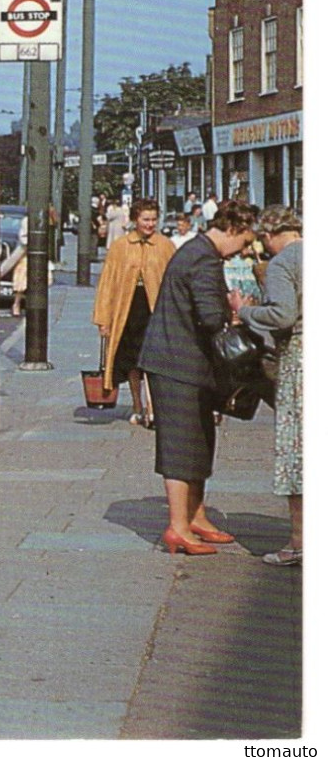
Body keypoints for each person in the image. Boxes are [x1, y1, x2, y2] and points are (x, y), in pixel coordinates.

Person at [136, 199, 260, 555]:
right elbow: (209, 318)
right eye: (245, 240)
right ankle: (178, 527)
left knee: (199, 440)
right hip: (176, 364)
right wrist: (237, 313)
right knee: (180, 443)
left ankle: (196, 516)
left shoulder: (199, 252)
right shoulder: (203, 258)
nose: (244, 250)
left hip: (185, 363)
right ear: (233, 229)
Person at [234, 206, 303, 567]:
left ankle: (298, 541)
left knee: (297, 450)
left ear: (271, 234)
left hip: (301, 362)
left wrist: (245, 312)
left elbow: (282, 315)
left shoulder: (282, 263)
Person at [94, 198, 176, 426]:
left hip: (155, 311)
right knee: (131, 361)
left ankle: (152, 407)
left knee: (152, 360)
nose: (150, 224)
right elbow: (108, 281)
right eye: (145, 219)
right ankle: (137, 405)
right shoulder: (121, 246)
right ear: (135, 220)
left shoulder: (165, 245)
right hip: (127, 310)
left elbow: (175, 281)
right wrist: (103, 319)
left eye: (153, 219)